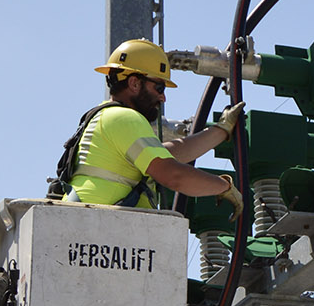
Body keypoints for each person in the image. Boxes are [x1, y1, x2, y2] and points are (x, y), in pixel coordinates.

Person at [56, 38, 244, 217]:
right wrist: (224, 186)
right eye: (159, 88)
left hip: (92, 228)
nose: (163, 98)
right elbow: (173, 175)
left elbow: (170, 154)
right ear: (134, 83)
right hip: (100, 229)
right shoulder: (126, 118)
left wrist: (221, 129)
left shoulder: (108, 117)